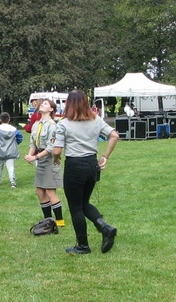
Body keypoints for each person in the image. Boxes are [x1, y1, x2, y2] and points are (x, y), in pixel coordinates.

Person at [52, 90, 119, 255]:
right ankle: (104, 227)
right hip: (91, 164)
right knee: (83, 203)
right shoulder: (96, 120)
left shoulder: (64, 124)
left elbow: (57, 149)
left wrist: (56, 157)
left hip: (75, 165)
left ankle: (82, 245)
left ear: (68, 104)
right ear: (85, 103)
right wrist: (105, 157)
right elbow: (114, 135)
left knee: (75, 207)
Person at [23, 99, 64, 226]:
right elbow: (32, 143)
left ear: (51, 109)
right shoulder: (36, 124)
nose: (42, 104)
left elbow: (51, 148)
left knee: (50, 192)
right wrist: (30, 154)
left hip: (50, 161)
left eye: (46, 104)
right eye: (42, 103)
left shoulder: (52, 126)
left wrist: (35, 157)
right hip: (40, 160)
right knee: (40, 191)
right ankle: (48, 220)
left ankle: (60, 221)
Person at [0, 112, 22, 188]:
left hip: (0, 152)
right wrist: (16, 143)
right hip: (11, 151)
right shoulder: (14, 129)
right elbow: (20, 137)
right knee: (10, 167)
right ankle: (13, 183)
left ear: (0, 119)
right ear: (9, 119)